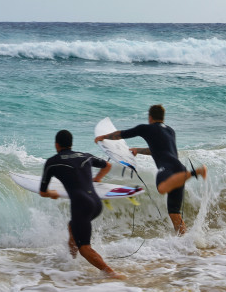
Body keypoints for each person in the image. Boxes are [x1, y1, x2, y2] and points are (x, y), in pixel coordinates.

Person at [94, 104, 207, 235]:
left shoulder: (146, 128)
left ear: (150, 117)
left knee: (162, 188)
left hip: (168, 169)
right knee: (174, 213)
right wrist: (138, 150)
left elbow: (121, 134)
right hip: (178, 169)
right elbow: (160, 150)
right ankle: (186, 243)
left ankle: (194, 172)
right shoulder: (170, 130)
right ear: (162, 117)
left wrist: (103, 137)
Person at [39, 129, 125, 279]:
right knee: (72, 226)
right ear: (71, 144)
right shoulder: (85, 156)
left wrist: (54, 194)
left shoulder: (52, 162)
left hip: (81, 205)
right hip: (96, 203)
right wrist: (97, 179)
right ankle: (71, 261)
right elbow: (107, 166)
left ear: (56, 144)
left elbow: (43, 192)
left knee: (84, 247)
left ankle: (111, 273)